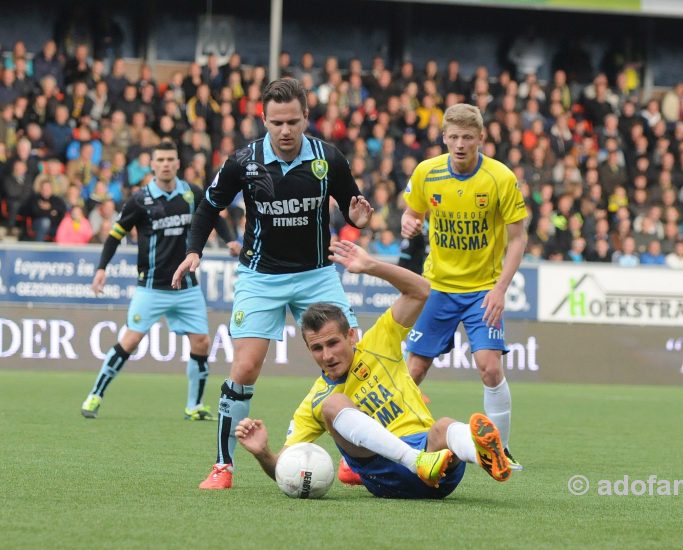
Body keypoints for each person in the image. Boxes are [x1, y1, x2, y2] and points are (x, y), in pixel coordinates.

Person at [171, 78, 373, 490]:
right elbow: (208, 207)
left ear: (305, 119)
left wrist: (359, 219)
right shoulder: (242, 161)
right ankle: (223, 466)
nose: (285, 131)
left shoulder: (328, 158)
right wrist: (194, 250)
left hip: (317, 273)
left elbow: (352, 207)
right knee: (244, 367)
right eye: (277, 122)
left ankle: (358, 457)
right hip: (260, 276)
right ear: (263, 118)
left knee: (355, 357)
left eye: (293, 122)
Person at [234, 240, 512, 498]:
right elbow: (286, 465)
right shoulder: (315, 401)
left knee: (444, 427)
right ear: (309, 350)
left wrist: (371, 266)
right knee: (333, 405)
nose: (327, 355)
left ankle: (483, 455)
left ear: (351, 336)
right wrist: (263, 453)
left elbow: (421, 291)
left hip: (440, 470)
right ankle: (420, 461)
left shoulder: (379, 341)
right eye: (317, 348)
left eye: (333, 343)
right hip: (390, 478)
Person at [400, 103, 528, 470]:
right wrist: (410, 222)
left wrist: (500, 289)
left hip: (482, 289)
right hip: (437, 287)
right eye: (453, 137)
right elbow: (413, 211)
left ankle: (499, 451)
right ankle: (401, 441)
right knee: (414, 371)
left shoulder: (500, 178)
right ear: (444, 138)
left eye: (467, 137)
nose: (459, 144)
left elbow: (517, 239)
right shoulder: (427, 172)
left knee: (489, 367)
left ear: (480, 139)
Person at [80, 140, 239, 420]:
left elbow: (214, 215)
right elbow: (116, 235)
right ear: (152, 165)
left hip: (187, 287)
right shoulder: (140, 200)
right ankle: (95, 394)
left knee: (201, 342)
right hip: (152, 287)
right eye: (160, 160)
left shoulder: (191, 193)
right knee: (129, 341)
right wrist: (102, 267)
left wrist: (231, 241)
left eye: (170, 159)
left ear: (178, 164)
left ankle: (194, 406)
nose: (165, 164)